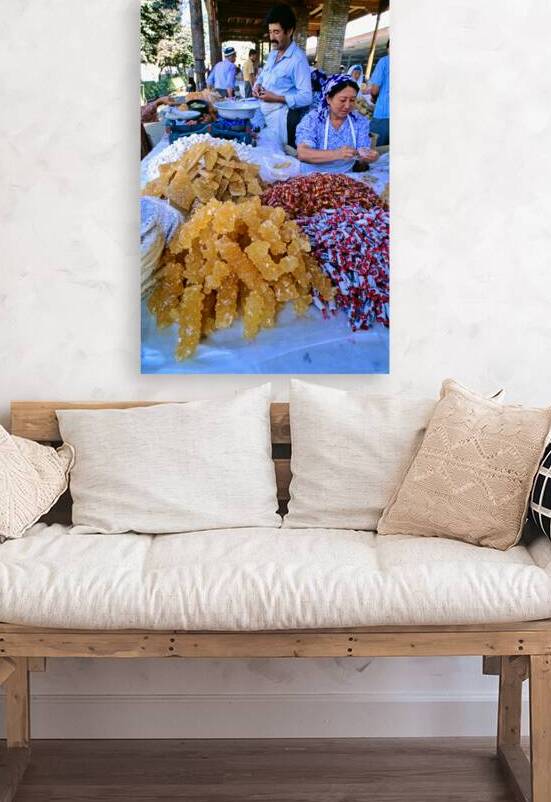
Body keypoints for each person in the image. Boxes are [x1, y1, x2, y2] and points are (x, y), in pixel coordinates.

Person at [253, 3, 312, 146]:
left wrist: (277, 98)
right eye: (270, 31)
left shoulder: (298, 59)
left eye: (277, 32)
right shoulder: (273, 55)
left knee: (278, 157)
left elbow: (306, 97)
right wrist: (257, 85)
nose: (272, 37)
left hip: (281, 119)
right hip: (263, 114)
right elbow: (262, 76)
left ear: (290, 31)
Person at [295, 74, 378, 174]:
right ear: (328, 99)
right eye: (342, 100)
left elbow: (361, 159)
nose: (347, 106)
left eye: (352, 100)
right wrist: (337, 154)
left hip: (346, 176)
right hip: (312, 176)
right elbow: (303, 153)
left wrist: (367, 158)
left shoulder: (359, 121)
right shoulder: (312, 119)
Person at [369, 41, 389, 146]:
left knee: (376, 149)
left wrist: (373, 98)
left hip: (384, 112)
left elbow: (374, 89)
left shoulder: (385, 61)